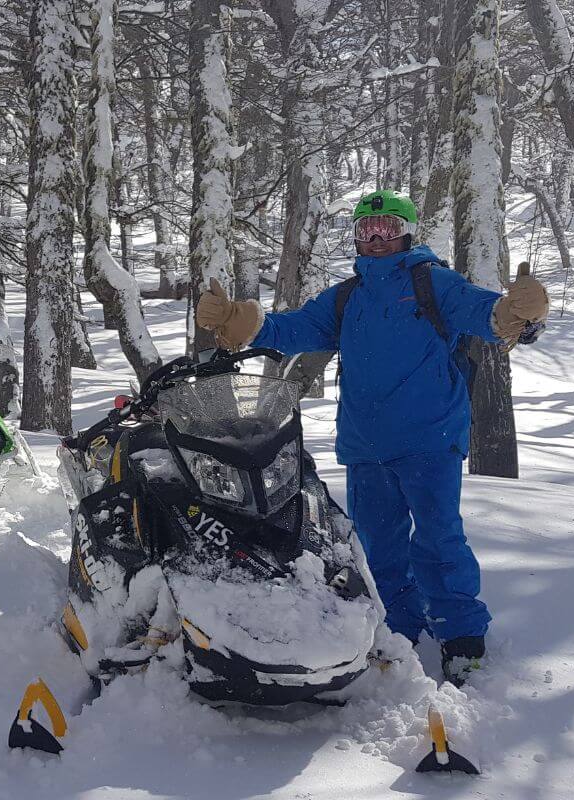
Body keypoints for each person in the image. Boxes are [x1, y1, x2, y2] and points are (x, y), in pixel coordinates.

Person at [195, 189, 549, 685]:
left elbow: (487, 317)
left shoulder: (435, 284)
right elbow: (293, 329)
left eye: (386, 228)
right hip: (366, 445)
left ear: (407, 233)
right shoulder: (348, 296)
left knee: (438, 539)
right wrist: (241, 322)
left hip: (430, 440)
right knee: (377, 547)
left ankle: (461, 636)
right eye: (366, 231)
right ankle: (395, 628)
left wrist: (519, 315)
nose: (376, 239)